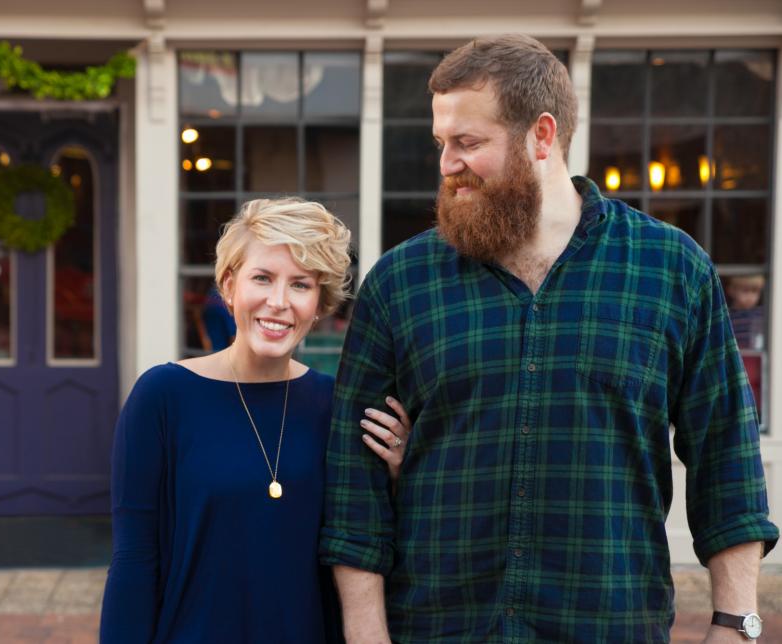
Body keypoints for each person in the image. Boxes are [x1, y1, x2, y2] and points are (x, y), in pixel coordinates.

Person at [320, 34, 778, 643]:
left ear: (541, 135)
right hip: (438, 628)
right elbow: (355, 485)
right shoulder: (401, 282)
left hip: (609, 628)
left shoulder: (671, 270)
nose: (446, 163)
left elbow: (726, 458)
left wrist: (736, 624)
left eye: (468, 143)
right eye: (440, 143)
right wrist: (366, 634)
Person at [100, 197, 412, 643]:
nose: (278, 302)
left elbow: (369, 540)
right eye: (262, 278)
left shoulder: (335, 405)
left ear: (320, 302)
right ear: (229, 286)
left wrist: (400, 476)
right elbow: (133, 560)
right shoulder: (162, 397)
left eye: (300, 284)